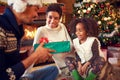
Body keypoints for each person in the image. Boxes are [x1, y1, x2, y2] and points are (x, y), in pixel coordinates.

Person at [0, 0, 59, 80]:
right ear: (22, 4)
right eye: (36, 9)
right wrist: (35, 56)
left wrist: (28, 54)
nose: (36, 15)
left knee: (53, 70)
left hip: (19, 76)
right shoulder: (1, 30)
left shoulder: (15, 29)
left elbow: (11, 60)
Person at [33, 4, 73, 75]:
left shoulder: (62, 26)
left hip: (70, 61)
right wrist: (62, 47)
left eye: (56, 18)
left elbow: (70, 45)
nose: (52, 21)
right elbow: (35, 50)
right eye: (50, 17)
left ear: (59, 19)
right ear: (46, 17)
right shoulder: (41, 30)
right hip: (56, 66)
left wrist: (53, 47)